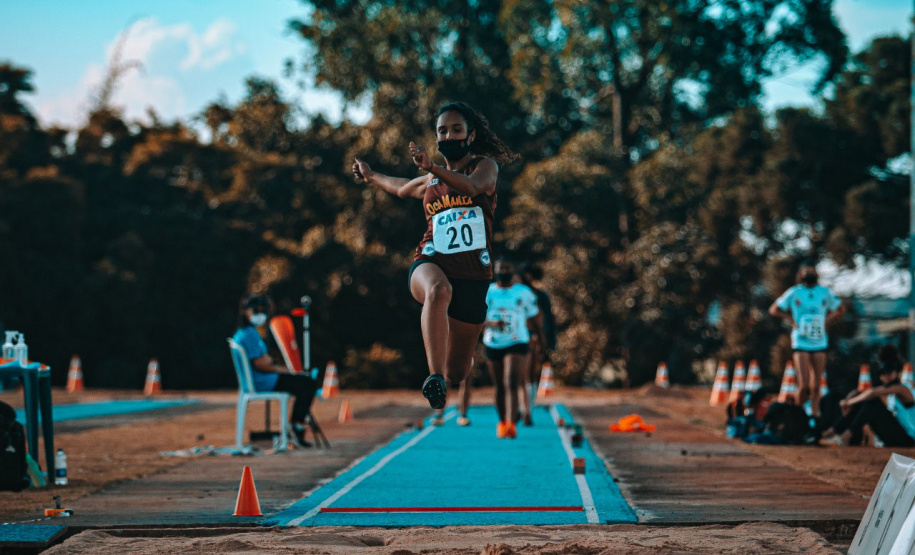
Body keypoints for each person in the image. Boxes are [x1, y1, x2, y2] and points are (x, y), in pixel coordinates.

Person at [352, 102, 517, 410]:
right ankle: (434, 379)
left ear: (470, 136)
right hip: (430, 262)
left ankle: (447, 375)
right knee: (438, 290)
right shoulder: (431, 181)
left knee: (459, 371)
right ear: (436, 136)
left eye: (457, 130)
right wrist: (372, 175)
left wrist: (432, 168)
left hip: (473, 276)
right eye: (442, 131)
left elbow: (470, 188)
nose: (449, 136)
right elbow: (402, 188)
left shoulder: (484, 167)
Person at [232, 295, 318, 447]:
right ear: (245, 311)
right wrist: (280, 369)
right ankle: (296, 426)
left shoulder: (243, 332)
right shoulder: (249, 334)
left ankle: (294, 426)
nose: (261, 314)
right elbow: (261, 363)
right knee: (307, 384)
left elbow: (264, 359)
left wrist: (272, 364)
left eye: (263, 311)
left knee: (302, 382)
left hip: (261, 379)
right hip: (263, 381)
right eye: (256, 311)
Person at [769, 260, 845, 419]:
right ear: (800, 275)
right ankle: (798, 415)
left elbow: (840, 309)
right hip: (801, 341)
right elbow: (774, 309)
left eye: (812, 271)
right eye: (807, 272)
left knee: (816, 385)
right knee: (803, 385)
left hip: (819, 341)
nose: (810, 275)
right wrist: (790, 320)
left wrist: (826, 321)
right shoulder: (794, 292)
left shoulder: (824, 292)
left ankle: (815, 417)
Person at [483, 258, 541, 438]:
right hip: (493, 341)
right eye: (501, 269)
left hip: (517, 341)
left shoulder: (523, 292)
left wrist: (540, 338)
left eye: (508, 269)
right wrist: (491, 322)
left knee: (512, 382)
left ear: (513, 271)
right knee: (499, 385)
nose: (504, 272)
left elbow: (535, 316)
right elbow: (475, 318)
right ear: (495, 271)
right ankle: (502, 422)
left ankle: (511, 423)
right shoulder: (488, 292)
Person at [821, 345, 915, 447]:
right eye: (882, 373)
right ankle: (830, 433)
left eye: (889, 372)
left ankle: (844, 437)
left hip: (908, 440)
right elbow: (862, 391)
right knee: (866, 401)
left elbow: (871, 393)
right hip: (894, 436)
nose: (885, 376)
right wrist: (847, 400)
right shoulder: (888, 390)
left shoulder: (903, 388)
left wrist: (848, 402)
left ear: (897, 372)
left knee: (873, 403)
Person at [519, 263, 554, 415]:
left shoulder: (541, 296)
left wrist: (545, 341)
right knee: (521, 372)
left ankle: (529, 405)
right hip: (518, 336)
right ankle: (522, 406)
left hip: (534, 337)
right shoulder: (517, 293)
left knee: (532, 372)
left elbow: (546, 320)